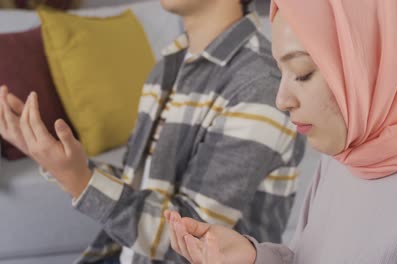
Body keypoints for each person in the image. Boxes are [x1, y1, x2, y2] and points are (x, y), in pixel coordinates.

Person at [0, 0, 306, 263]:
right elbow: (140, 183)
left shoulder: (258, 87)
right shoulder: (168, 66)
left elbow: (195, 242)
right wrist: (55, 157)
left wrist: (79, 180)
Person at [164, 0, 397, 263]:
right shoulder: (345, 155)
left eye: (302, 73)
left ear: (376, 63)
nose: (281, 100)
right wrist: (255, 257)